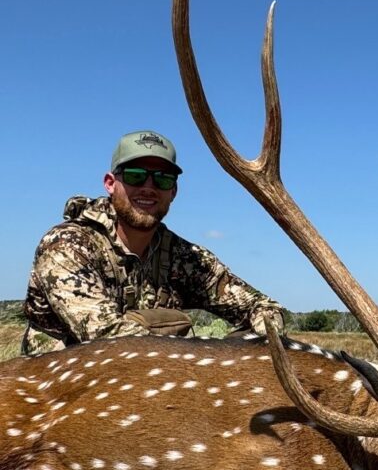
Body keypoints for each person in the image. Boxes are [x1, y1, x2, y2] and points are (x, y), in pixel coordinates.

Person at [22, 130, 285, 355]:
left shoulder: (185, 257)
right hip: (58, 396)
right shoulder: (67, 245)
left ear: (173, 191)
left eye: (162, 178)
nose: (149, 187)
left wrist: (244, 353)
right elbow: (110, 339)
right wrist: (205, 364)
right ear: (110, 183)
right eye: (136, 175)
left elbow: (264, 308)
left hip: (152, 385)